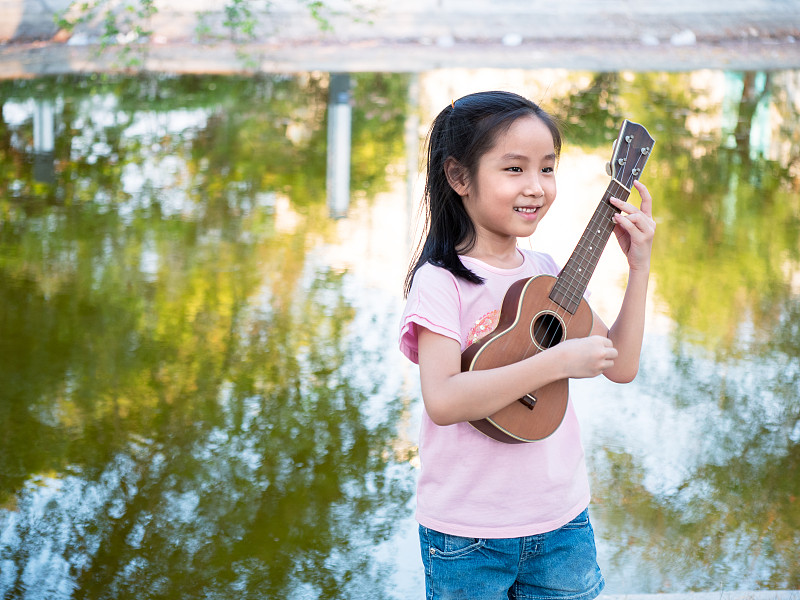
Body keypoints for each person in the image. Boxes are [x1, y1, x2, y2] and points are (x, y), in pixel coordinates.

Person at [398, 90, 656, 599]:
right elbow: (445, 400)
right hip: (467, 533)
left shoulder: (547, 274)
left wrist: (640, 266)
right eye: (514, 169)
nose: (536, 187)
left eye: (547, 168)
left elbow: (620, 365)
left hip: (561, 521)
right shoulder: (442, 283)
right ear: (459, 177)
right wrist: (555, 362)